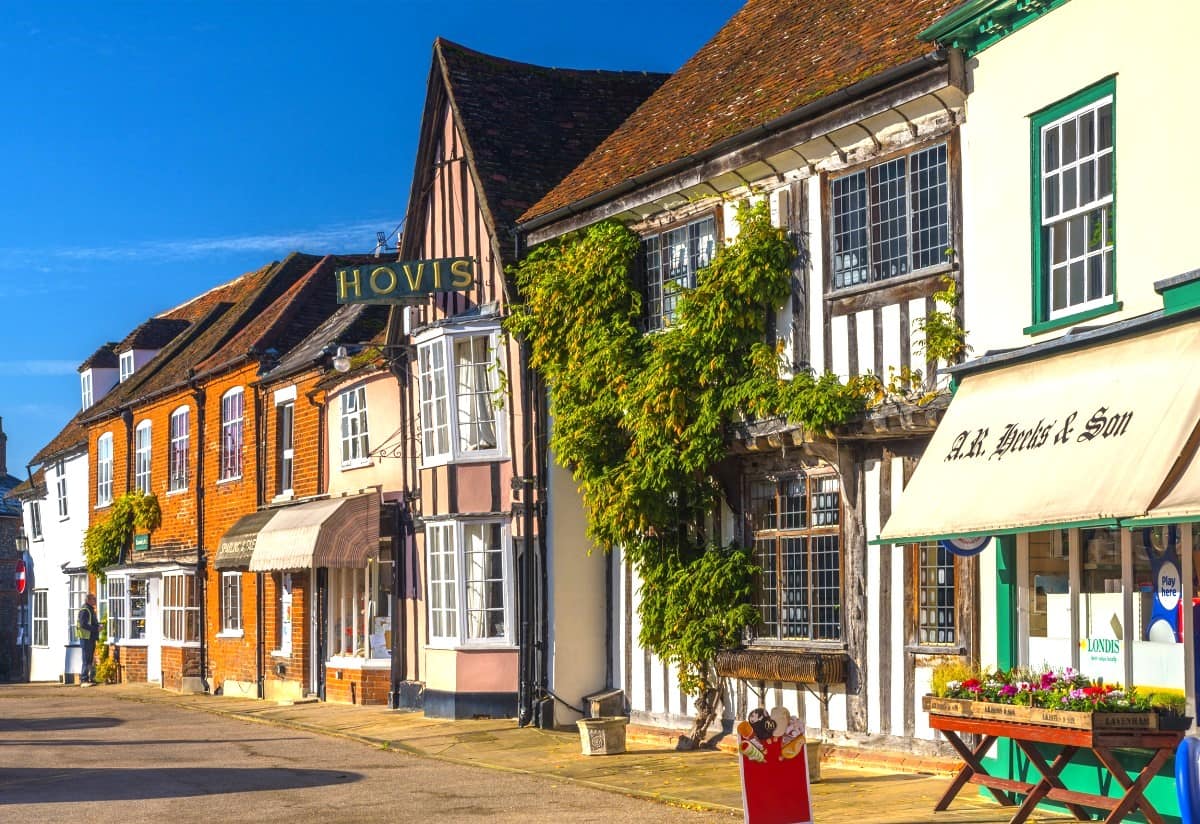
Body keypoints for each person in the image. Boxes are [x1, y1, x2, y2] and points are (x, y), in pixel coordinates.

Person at [76, 592, 100, 686]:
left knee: (90, 659)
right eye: (93, 599)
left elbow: (92, 622)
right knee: (86, 660)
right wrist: (96, 629)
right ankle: (84, 680)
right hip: (85, 638)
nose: (95, 600)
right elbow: (83, 625)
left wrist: (98, 626)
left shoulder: (90, 609)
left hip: (91, 638)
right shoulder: (85, 610)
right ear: (88, 600)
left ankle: (90, 678)